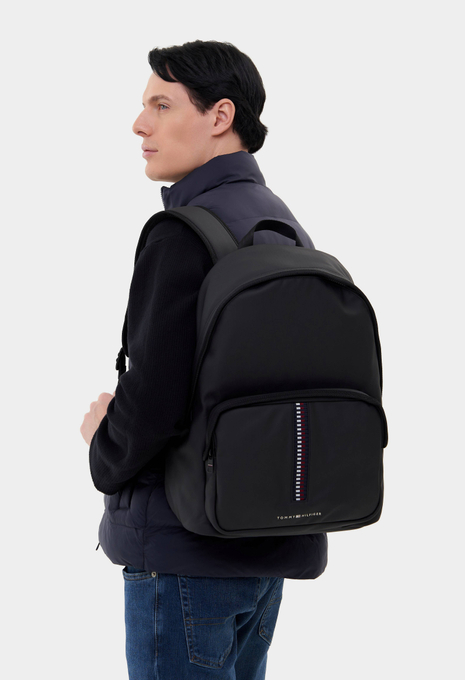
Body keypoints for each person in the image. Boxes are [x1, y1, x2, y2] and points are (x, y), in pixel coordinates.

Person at [80, 39, 328, 680]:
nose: (140, 125)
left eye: (161, 105)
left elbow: (155, 402)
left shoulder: (186, 232)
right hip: (266, 550)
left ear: (220, 116)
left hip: (184, 554)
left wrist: (103, 442)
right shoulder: (282, 227)